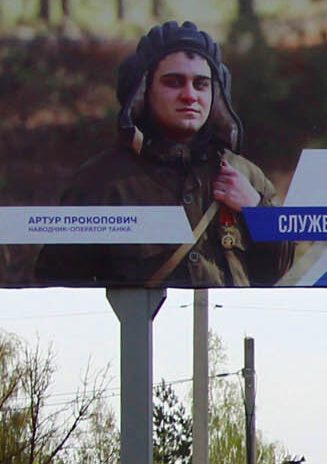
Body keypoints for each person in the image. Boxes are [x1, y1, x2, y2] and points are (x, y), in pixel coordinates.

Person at [35, 21, 284, 288]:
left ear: (216, 95)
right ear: (144, 91)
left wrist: (255, 209)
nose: (190, 95)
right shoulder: (101, 182)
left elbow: (278, 269)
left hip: (227, 328)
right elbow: (60, 284)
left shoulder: (245, 175)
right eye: (174, 83)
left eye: (201, 84)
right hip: (140, 329)